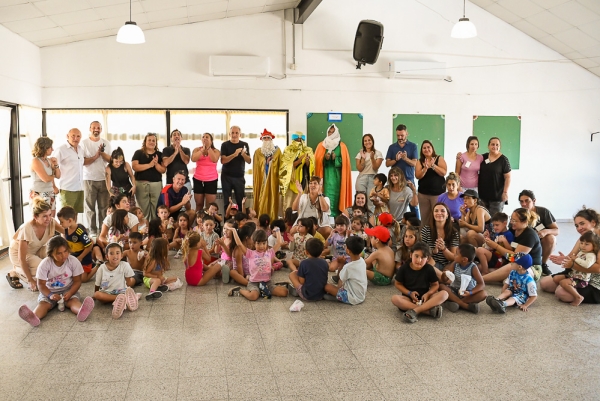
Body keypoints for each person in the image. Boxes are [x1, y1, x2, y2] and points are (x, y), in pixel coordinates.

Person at [17, 236, 95, 327]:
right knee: (44, 304)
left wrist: (70, 293)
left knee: (73, 301)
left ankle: (81, 311)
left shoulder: (73, 261)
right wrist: (50, 295)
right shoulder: (45, 264)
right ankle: (33, 317)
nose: (64, 255)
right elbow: (41, 284)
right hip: (49, 291)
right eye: (59, 253)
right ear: (51, 253)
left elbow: (77, 281)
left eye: (65, 251)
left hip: (68, 289)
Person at [541, 207, 600, 304]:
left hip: (594, 283)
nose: (579, 228)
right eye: (576, 225)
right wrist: (564, 259)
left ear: (593, 222)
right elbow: (572, 255)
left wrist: (572, 264)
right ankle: (570, 286)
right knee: (544, 283)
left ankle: (575, 291)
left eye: (582, 223)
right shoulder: (585, 237)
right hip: (579, 274)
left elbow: (598, 269)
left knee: (561, 292)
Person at [7, 197, 65, 290]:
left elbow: (67, 232)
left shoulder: (51, 222)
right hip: (18, 254)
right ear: (35, 217)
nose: (48, 219)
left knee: (55, 257)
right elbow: (21, 258)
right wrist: (30, 280)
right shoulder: (27, 228)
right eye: (44, 216)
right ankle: (15, 272)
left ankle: (30, 271)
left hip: (36, 249)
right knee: (41, 275)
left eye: (50, 215)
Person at [482, 208, 543, 283]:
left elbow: (514, 258)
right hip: (509, 261)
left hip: (530, 267)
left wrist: (496, 246)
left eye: (514, 221)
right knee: (481, 267)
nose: (511, 222)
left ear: (525, 222)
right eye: (511, 219)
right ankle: (505, 278)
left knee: (513, 266)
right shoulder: (513, 230)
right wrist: (488, 238)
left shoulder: (530, 236)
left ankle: (481, 280)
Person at [391, 241, 447, 323]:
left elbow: (435, 285)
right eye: (416, 256)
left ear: (427, 259)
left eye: (423, 257)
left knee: (444, 294)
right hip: (409, 299)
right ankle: (428, 311)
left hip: (426, 298)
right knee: (395, 299)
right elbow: (397, 283)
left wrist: (428, 294)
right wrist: (409, 293)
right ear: (411, 255)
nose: (419, 260)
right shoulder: (404, 268)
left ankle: (415, 311)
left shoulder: (429, 268)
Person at [227, 229, 288, 300]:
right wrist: (234, 231)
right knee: (253, 296)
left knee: (284, 292)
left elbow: (279, 243)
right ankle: (239, 290)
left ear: (267, 243)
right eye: (258, 243)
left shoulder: (269, 252)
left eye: (264, 243)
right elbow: (239, 244)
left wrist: (277, 230)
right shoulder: (250, 253)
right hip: (254, 282)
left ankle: (266, 289)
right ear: (254, 243)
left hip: (267, 282)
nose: (261, 246)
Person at [518, 189, 559, 276]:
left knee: (551, 238)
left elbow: (556, 230)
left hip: (540, 243)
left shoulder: (544, 212)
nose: (524, 204)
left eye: (527, 201)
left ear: (534, 201)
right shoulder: (519, 213)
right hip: (525, 244)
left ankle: (543, 264)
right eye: (521, 201)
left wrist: (546, 231)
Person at [314, 124, 352, 217]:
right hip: (325, 177)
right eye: (329, 132)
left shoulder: (342, 146)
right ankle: (324, 218)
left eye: (333, 132)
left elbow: (346, 163)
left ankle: (337, 220)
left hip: (338, 178)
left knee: (338, 197)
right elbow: (317, 162)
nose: (330, 134)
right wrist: (325, 159)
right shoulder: (321, 145)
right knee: (325, 195)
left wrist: (336, 159)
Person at [92, 242, 138, 319]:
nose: (115, 256)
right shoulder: (102, 268)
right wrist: (95, 295)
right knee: (97, 294)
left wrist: (128, 289)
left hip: (121, 291)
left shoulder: (125, 265)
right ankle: (124, 299)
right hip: (107, 292)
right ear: (107, 256)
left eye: (117, 253)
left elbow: (128, 282)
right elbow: (97, 284)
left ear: (121, 255)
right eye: (111, 253)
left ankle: (123, 300)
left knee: (127, 291)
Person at [82, 121, 112, 236]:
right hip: (89, 179)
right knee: (90, 208)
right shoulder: (84, 143)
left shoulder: (106, 143)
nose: (96, 129)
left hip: (104, 179)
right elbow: (83, 161)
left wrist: (102, 153)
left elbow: (111, 160)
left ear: (101, 129)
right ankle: (92, 231)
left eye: (98, 128)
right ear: (90, 129)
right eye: (94, 127)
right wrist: (95, 156)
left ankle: (104, 232)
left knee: (104, 207)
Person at [555, 231, 599, 306]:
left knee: (563, 282)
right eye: (581, 243)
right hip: (575, 275)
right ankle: (569, 288)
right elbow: (574, 261)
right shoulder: (582, 252)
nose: (583, 246)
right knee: (556, 278)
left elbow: (587, 265)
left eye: (587, 244)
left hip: (582, 280)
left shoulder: (591, 255)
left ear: (594, 245)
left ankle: (578, 297)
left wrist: (575, 259)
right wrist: (566, 259)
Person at [439, 243, 486, 313]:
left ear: (464, 259)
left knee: (483, 294)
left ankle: (456, 303)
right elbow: (445, 280)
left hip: (467, 294)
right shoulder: (455, 264)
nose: (454, 255)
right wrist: (445, 275)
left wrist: (470, 293)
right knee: (441, 286)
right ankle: (465, 305)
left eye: (456, 254)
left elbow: (481, 284)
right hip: (455, 290)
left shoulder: (473, 267)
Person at [386, 124, 419, 217]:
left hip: (408, 180)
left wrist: (405, 159)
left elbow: (415, 163)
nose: (400, 138)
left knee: (414, 207)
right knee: (393, 205)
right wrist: (396, 160)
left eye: (402, 135)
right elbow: (387, 163)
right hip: (395, 181)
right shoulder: (392, 147)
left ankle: (416, 224)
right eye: (398, 135)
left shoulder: (413, 146)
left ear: (407, 134)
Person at [324, 236, 368, 305]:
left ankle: (338, 298)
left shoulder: (348, 267)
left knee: (327, 287)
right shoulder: (362, 261)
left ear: (348, 250)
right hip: (361, 296)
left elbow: (340, 283)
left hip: (352, 297)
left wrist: (341, 263)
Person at [57, 206, 96, 283]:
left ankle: (97, 266)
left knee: (83, 279)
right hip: (73, 257)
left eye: (61, 222)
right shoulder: (66, 229)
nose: (60, 224)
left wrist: (80, 257)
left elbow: (89, 245)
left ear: (70, 220)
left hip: (83, 258)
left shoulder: (80, 232)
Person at [132, 133, 166, 221]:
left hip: (156, 185)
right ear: (145, 142)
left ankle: (155, 226)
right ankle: (144, 227)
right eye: (149, 140)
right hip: (141, 184)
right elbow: (135, 167)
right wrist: (150, 165)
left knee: (156, 208)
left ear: (156, 143)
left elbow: (163, 170)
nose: (151, 142)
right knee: (142, 209)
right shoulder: (138, 153)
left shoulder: (159, 154)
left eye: (153, 140)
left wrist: (156, 164)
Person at [415, 140, 447, 227]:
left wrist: (433, 166)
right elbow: (417, 176)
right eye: (424, 148)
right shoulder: (419, 161)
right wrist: (425, 169)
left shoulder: (439, 158)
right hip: (423, 194)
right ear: (422, 150)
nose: (426, 149)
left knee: (437, 217)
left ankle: (437, 235)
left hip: (438, 194)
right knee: (425, 218)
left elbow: (443, 172)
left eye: (428, 147)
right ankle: (424, 235)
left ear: (432, 148)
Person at [280, 131, 315, 210]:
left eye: (301, 140)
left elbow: (311, 167)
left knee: (302, 204)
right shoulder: (288, 150)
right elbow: (286, 166)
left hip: (302, 181)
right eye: (297, 140)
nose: (299, 141)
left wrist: (307, 162)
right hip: (291, 181)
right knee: (290, 203)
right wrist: (299, 160)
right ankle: (289, 217)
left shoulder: (308, 150)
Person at [420, 203, 460, 272]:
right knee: (429, 262)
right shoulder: (426, 230)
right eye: (436, 211)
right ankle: (440, 276)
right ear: (433, 214)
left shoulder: (453, 232)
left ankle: (441, 276)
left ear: (447, 215)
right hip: (430, 263)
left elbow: (453, 257)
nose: (439, 213)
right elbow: (421, 251)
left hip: (447, 265)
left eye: (442, 211)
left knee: (456, 263)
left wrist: (444, 249)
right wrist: (433, 251)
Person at [253, 129, 282, 221]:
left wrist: (272, 163)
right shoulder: (258, 152)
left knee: (272, 199)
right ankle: (261, 220)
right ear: (262, 140)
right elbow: (257, 167)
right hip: (262, 181)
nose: (266, 140)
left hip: (273, 181)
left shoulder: (277, 151)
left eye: (268, 138)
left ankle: (272, 219)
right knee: (261, 199)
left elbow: (281, 166)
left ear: (271, 139)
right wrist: (266, 163)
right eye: (264, 138)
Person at [54, 128, 85, 213]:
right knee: (66, 215)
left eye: (78, 136)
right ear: (67, 136)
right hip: (67, 189)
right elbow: (52, 166)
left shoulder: (81, 149)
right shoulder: (61, 149)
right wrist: (53, 186)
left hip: (80, 188)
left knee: (76, 215)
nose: (76, 138)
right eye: (73, 136)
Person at [220, 125, 250, 212]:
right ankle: (227, 220)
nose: (234, 135)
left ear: (240, 134)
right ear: (229, 134)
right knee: (227, 201)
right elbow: (223, 160)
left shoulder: (244, 145)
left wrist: (243, 154)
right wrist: (234, 154)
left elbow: (249, 161)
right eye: (232, 133)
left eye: (236, 133)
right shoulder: (225, 145)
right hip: (226, 177)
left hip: (239, 177)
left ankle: (241, 219)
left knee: (241, 201)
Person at [478, 137, 511, 216]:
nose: (495, 146)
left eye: (497, 145)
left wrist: (505, 192)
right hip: (482, 196)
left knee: (495, 220)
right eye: (492, 144)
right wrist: (460, 156)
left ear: (500, 147)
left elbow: (508, 177)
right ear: (488, 146)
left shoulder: (503, 160)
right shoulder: (483, 157)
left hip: (497, 198)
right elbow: (471, 158)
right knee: (483, 220)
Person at [30, 137, 60, 217]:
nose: (52, 149)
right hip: (39, 194)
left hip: (50, 192)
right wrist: (52, 175)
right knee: (41, 218)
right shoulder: (35, 161)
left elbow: (58, 175)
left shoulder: (49, 160)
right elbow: (46, 179)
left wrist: (56, 165)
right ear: (45, 148)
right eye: (50, 147)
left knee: (51, 218)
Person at [191, 133, 220, 211]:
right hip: (198, 179)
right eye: (203, 137)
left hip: (211, 180)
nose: (205, 138)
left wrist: (208, 148)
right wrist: (202, 150)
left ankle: (208, 219)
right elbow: (193, 159)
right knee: (199, 204)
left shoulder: (216, 151)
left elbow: (214, 159)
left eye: (207, 137)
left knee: (209, 206)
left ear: (211, 140)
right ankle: (198, 219)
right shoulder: (197, 149)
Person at [355, 134, 383, 211]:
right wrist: (363, 158)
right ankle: (360, 217)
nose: (367, 142)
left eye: (369, 140)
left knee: (371, 201)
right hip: (361, 178)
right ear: (363, 143)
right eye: (365, 141)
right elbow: (360, 169)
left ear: (372, 141)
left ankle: (370, 218)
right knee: (360, 200)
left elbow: (375, 168)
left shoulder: (378, 153)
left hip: (373, 178)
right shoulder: (360, 154)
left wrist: (372, 158)